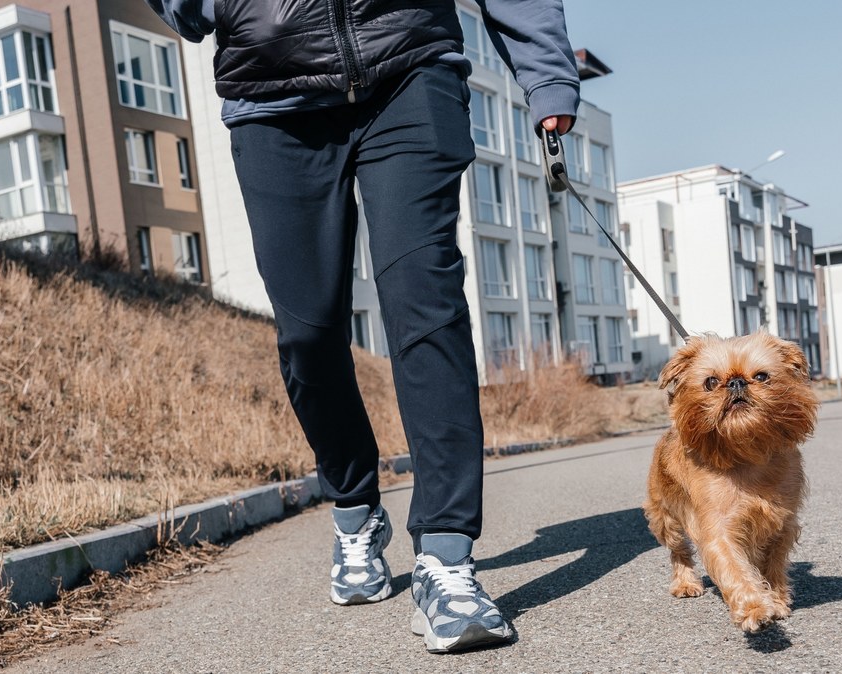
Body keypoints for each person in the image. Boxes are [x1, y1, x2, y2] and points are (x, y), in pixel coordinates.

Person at [144, 0, 579, 653]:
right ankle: (356, 510)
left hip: (409, 67)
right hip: (272, 98)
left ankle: (446, 559)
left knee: (425, 306)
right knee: (308, 334)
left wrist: (545, 74)